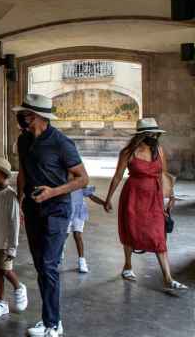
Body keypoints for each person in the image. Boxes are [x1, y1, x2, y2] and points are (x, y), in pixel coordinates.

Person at [13, 94, 88, 337]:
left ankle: (53, 323)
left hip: (57, 209)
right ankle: (48, 319)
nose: (22, 117)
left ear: (38, 116)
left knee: (48, 265)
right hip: (33, 209)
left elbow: (82, 179)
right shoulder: (23, 141)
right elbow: (23, 169)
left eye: (26, 114)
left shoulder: (61, 142)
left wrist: (53, 192)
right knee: (40, 266)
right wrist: (20, 197)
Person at [104, 117, 187, 292]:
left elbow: (163, 174)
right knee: (130, 229)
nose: (154, 137)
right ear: (141, 135)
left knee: (158, 234)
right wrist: (108, 198)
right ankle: (127, 266)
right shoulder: (128, 152)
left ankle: (168, 278)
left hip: (154, 197)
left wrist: (169, 197)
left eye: (156, 134)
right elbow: (118, 176)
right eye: (151, 134)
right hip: (133, 195)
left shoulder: (158, 150)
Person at [0, 156, 28, 319]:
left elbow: (14, 223)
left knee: (6, 269)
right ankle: (2, 302)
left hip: (6, 241)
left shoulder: (11, 197)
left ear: (3, 174)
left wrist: (12, 246)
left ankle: (18, 286)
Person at [65, 184, 105, 273]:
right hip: (66, 212)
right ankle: (60, 250)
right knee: (64, 235)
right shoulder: (63, 183)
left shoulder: (80, 183)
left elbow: (91, 196)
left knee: (77, 235)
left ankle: (82, 261)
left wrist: (104, 203)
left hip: (79, 212)